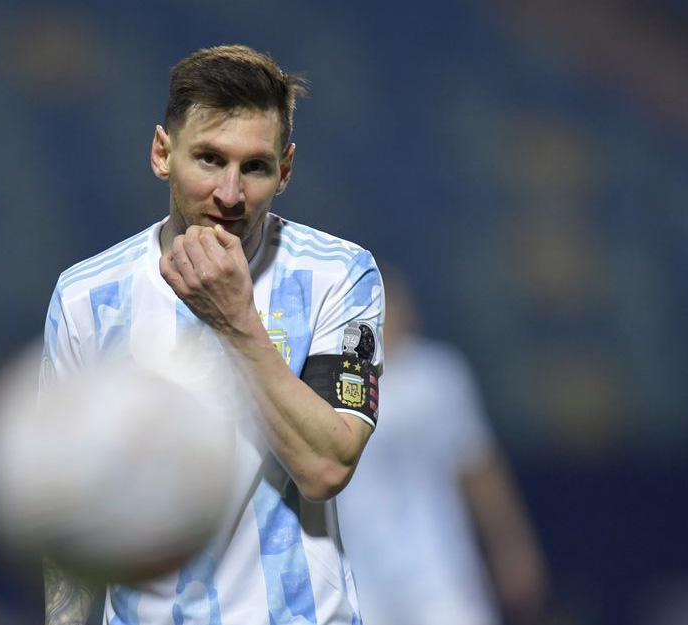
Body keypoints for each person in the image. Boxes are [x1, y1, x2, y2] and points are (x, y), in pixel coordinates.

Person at [39, 45, 384, 625]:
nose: (229, 193)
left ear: (286, 169)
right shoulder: (87, 298)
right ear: (162, 153)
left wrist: (234, 320)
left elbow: (326, 467)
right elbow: (66, 503)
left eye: (255, 167)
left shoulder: (339, 275)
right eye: (209, 159)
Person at [336, 269, 550, 625]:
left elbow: (478, 469)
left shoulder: (439, 375)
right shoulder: (334, 382)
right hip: (360, 576)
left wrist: (511, 546)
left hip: (441, 569)